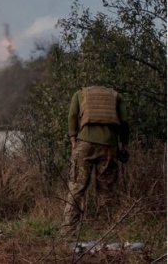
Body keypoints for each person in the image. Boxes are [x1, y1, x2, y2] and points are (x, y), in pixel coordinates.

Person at [60, 85, 130, 237]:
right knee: (105, 190)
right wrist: (123, 145)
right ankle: (103, 232)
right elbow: (124, 121)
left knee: (76, 188)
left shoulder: (79, 93)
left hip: (84, 144)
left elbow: (72, 116)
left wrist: (73, 140)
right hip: (109, 146)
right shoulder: (117, 96)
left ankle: (67, 231)